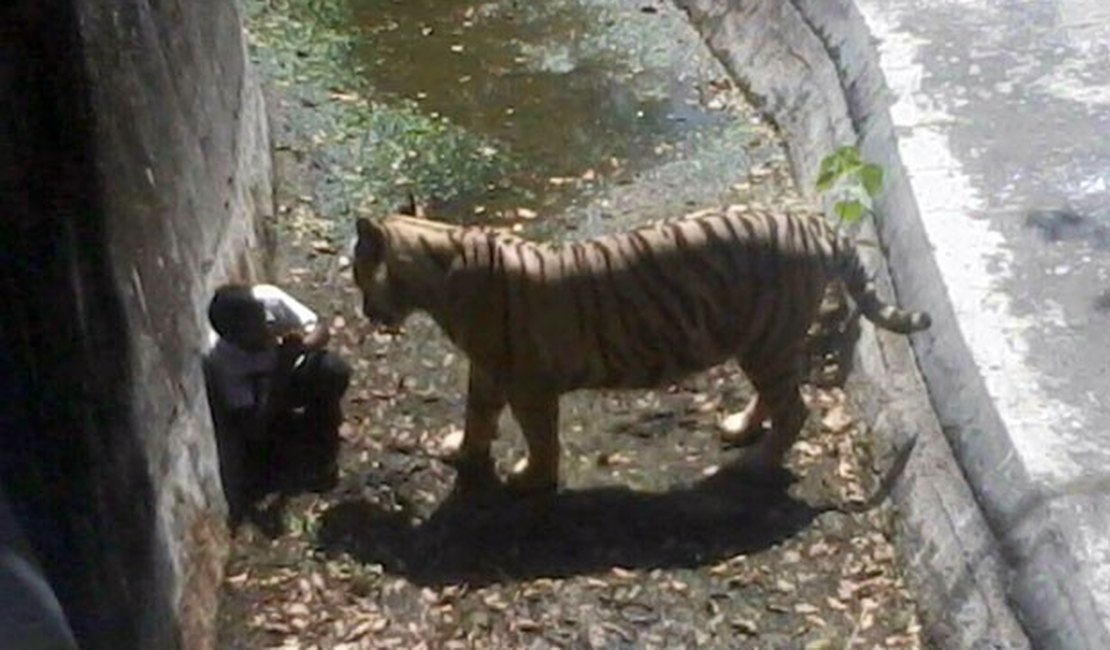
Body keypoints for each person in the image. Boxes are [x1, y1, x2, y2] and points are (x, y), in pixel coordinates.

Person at [203, 284, 350, 523]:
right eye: (253, 331)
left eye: (261, 320)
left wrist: (300, 348)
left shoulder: (269, 300)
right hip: (267, 402)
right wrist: (278, 378)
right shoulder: (223, 361)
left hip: (292, 373)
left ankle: (322, 432)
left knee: (332, 370)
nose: (264, 331)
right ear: (233, 338)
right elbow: (252, 426)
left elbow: (320, 330)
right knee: (265, 453)